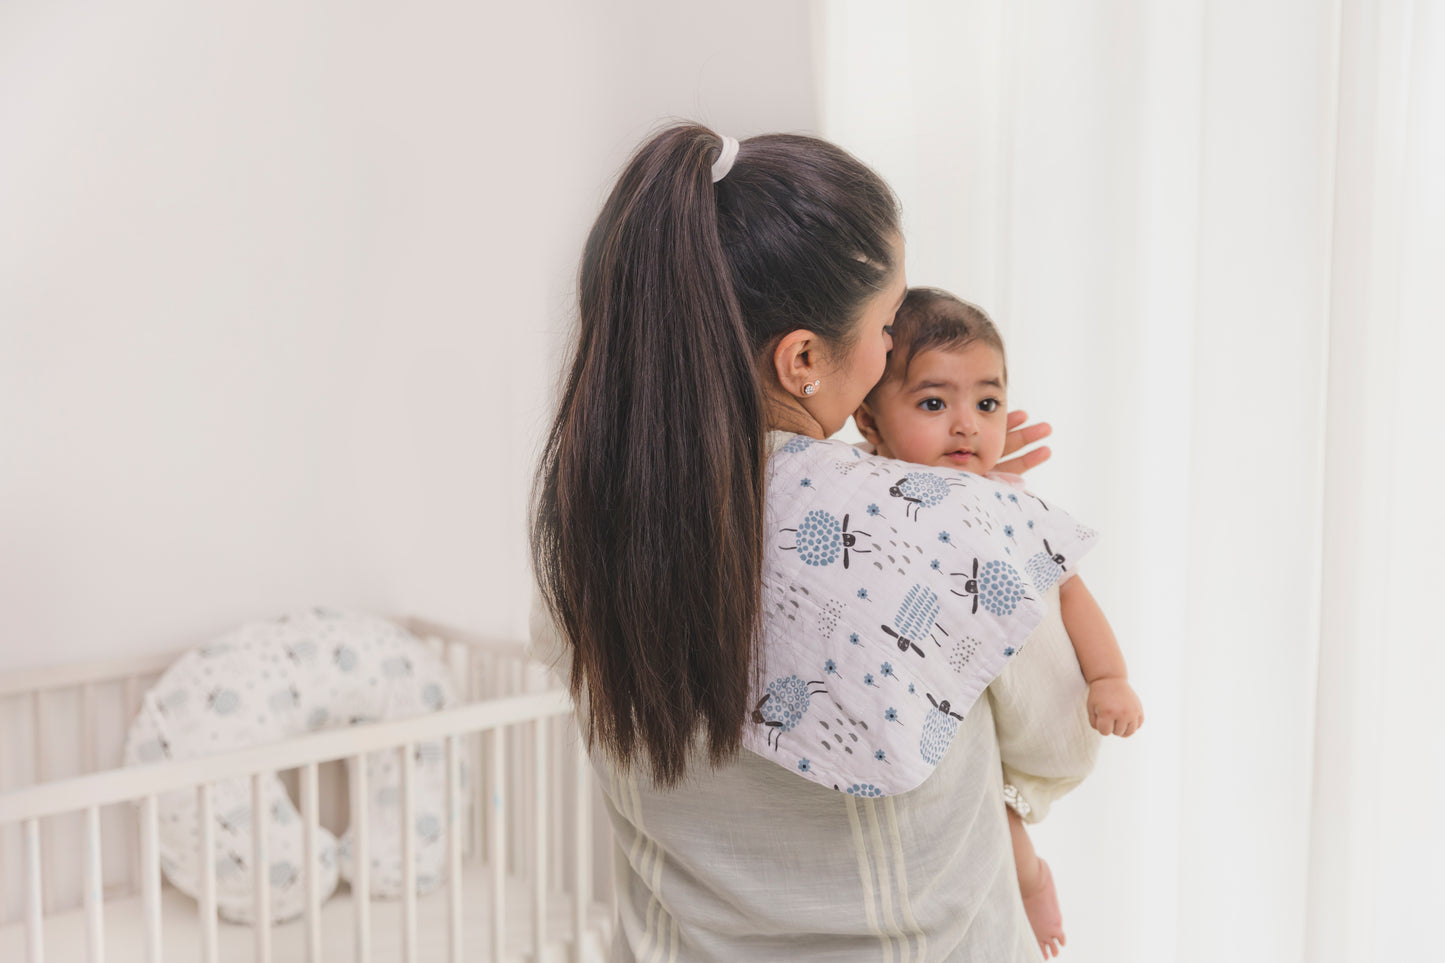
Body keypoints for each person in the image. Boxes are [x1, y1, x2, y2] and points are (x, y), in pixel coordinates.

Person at [531, 123, 1103, 961]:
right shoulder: (964, 528)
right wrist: (973, 515)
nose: (890, 348)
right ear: (802, 356)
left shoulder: (583, 536)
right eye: (887, 325)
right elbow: (1061, 742)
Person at [854, 287, 1145, 959]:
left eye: (986, 404)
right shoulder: (858, 488)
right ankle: (1031, 881)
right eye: (934, 404)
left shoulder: (1008, 503)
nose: (967, 427)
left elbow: (1069, 593)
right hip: (930, 711)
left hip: (1015, 701)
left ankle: (1034, 883)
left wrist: (1109, 677)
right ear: (869, 422)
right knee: (989, 826)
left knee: (995, 816)